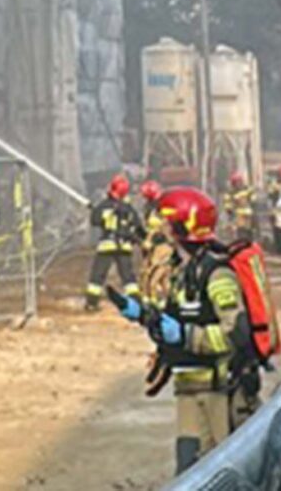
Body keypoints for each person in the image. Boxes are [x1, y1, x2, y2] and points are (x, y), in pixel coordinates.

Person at [105, 189, 250, 473]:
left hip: (215, 393)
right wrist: (142, 315)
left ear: (186, 226)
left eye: (170, 223)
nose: (165, 229)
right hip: (189, 389)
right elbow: (175, 318)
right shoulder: (185, 272)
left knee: (217, 472)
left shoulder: (217, 275)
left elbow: (236, 334)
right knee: (189, 469)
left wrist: (187, 336)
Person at [85, 172, 140, 310]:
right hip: (124, 246)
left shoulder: (104, 206)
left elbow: (94, 221)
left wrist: (97, 211)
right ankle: (136, 304)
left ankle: (92, 303)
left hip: (107, 245)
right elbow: (138, 226)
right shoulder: (129, 209)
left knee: (98, 275)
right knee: (128, 277)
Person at [137, 179, 179, 306]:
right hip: (155, 245)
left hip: (162, 245)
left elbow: (162, 228)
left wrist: (150, 240)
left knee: (155, 274)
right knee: (152, 273)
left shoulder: (161, 208)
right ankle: (165, 300)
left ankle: (156, 301)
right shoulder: (150, 207)